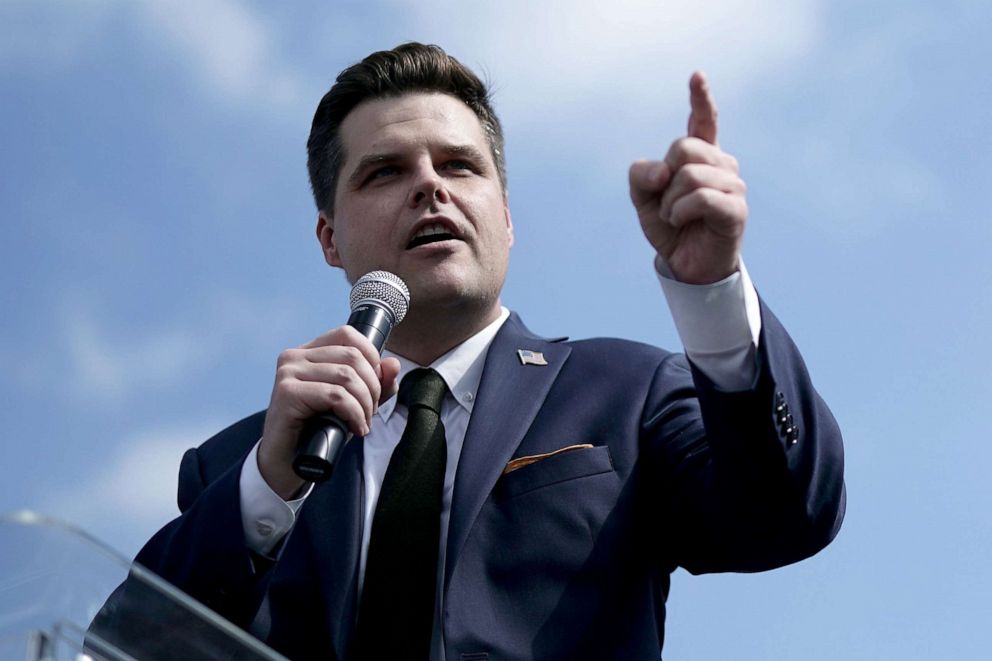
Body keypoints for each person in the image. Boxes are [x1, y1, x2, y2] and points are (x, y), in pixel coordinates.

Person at [132, 42, 845, 660]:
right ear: (329, 238)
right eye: (385, 172)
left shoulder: (627, 388)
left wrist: (713, 288)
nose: (430, 186)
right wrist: (268, 485)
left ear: (504, 217)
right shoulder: (239, 464)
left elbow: (785, 515)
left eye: (459, 165)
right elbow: (127, 644)